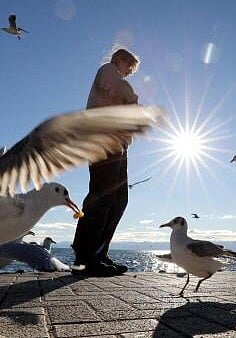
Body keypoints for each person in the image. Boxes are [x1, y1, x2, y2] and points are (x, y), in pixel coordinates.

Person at [71, 48, 140, 276]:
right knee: (102, 197)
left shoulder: (114, 77)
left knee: (119, 199)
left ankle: (98, 253)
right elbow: (121, 89)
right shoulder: (108, 71)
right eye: (130, 66)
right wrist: (134, 102)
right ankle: (85, 258)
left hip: (117, 145)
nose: (130, 72)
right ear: (120, 59)